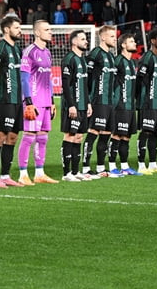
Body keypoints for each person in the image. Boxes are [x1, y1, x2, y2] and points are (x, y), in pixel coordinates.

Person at [19, 20, 58, 184]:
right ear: (37, 32)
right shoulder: (29, 51)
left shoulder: (48, 52)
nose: (50, 32)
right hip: (33, 102)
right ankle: (22, 175)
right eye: (46, 29)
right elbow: (24, 79)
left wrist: (52, 100)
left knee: (43, 137)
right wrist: (28, 102)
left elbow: (48, 78)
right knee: (29, 137)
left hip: (45, 103)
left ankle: (39, 173)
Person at [0, 15, 24, 187]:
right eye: (17, 28)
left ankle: (5, 175)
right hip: (4, 99)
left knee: (12, 137)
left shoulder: (17, 50)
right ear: (6, 29)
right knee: (0, 136)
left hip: (17, 100)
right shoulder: (0, 49)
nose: (20, 31)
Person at [85, 24, 118, 178]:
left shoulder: (111, 57)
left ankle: (100, 167)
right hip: (98, 100)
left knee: (106, 134)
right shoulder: (95, 54)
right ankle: (85, 167)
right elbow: (87, 79)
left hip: (110, 102)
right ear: (103, 37)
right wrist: (88, 100)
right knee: (93, 133)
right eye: (112, 36)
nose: (115, 39)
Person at [59, 29, 91, 181]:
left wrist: (89, 103)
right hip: (72, 106)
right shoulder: (69, 59)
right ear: (74, 42)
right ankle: (66, 173)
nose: (86, 41)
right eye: (83, 39)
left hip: (84, 105)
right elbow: (65, 84)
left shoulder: (83, 60)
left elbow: (84, 85)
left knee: (79, 137)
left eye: (86, 39)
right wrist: (71, 105)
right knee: (70, 136)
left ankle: (76, 171)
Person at [135, 29, 157, 173]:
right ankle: (142, 165)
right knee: (146, 132)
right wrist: (141, 99)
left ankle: (153, 164)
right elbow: (139, 80)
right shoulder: (147, 58)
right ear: (153, 41)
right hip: (148, 103)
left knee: (156, 132)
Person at [110, 33, 142, 176]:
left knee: (127, 136)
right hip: (120, 106)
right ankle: (111, 166)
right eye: (131, 41)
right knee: (117, 135)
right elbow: (110, 83)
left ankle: (124, 165)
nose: (135, 43)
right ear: (123, 45)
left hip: (130, 106)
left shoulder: (131, 63)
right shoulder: (118, 62)